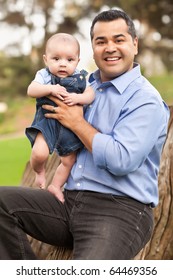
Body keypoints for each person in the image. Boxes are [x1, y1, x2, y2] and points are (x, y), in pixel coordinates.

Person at [0, 9, 170, 260]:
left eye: (119, 39)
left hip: (119, 212)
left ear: (135, 44)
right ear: (92, 48)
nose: (110, 47)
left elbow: (121, 160)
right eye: (101, 42)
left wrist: (77, 123)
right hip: (68, 202)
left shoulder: (146, 100)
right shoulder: (82, 84)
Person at [25, 33, 95, 203]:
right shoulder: (44, 75)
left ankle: (55, 186)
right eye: (56, 58)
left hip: (70, 127)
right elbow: (31, 90)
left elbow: (90, 94)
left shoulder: (81, 76)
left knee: (68, 160)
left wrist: (79, 99)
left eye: (69, 60)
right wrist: (49, 89)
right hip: (48, 122)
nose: (63, 63)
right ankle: (39, 171)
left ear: (78, 61)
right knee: (39, 153)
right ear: (46, 59)